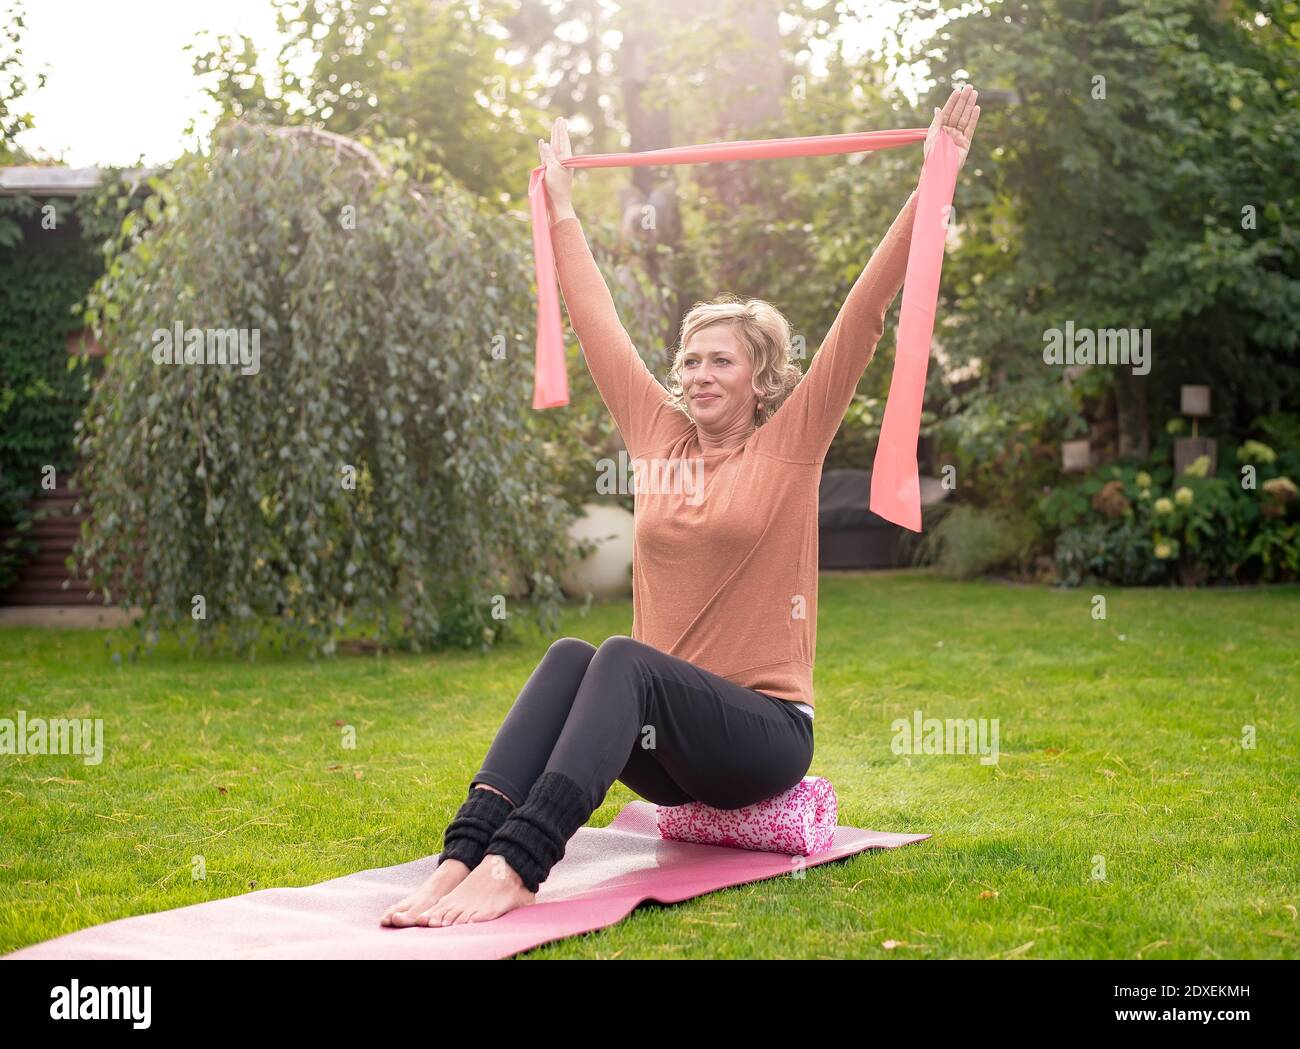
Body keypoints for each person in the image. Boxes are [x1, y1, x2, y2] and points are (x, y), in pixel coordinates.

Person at [382, 86, 981, 929]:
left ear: (761, 378)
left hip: (762, 738)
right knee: (567, 656)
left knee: (620, 656)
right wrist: (558, 206)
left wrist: (932, 180)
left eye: (721, 362)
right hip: (664, 746)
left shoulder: (790, 442)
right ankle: (463, 853)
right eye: (690, 359)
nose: (698, 373)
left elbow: (863, 316)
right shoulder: (657, 437)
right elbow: (596, 320)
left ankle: (520, 864)